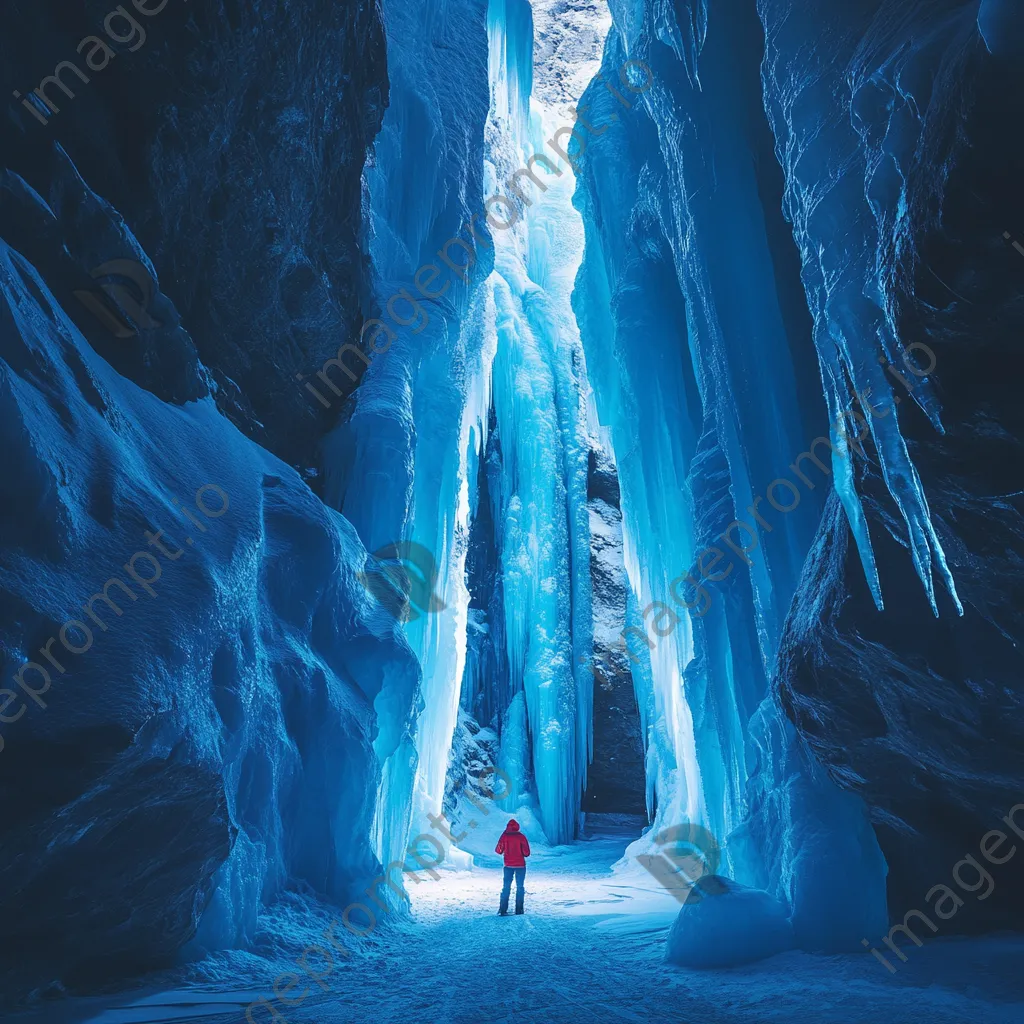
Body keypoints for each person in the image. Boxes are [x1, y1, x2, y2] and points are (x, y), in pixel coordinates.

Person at [495, 818, 531, 915]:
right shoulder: (521, 837)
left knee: (506, 887)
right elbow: (527, 853)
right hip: (520, 866)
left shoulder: (505, 837)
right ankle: (519, 910)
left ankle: (503, 910)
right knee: (520, 887)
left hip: (508, 866)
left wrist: (504, 835)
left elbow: (498, 851)